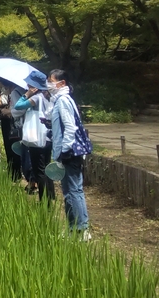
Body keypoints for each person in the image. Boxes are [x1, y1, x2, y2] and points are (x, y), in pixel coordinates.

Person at [50, 69, 91, 239]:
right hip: (67, 151)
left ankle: (82, 229)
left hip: (70, 152)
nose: (49, 84)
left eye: (51, 81)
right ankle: (73, 228)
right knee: (68, 190)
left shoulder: (63, 101)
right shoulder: (60, 100)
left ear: (62, 83)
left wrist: (65, 150)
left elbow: (70, 127)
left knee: (74, 190)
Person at [15, 76, 55, 203]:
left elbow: (18, 106)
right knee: (47, 167)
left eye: (29, 85)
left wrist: (26, 94)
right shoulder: (48, 97)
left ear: (34, 87)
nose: (27, 87)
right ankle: (50, 195)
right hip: (47, 137)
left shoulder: (36, 98)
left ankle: (44, 201)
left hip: (36, 139)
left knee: (39, 171)